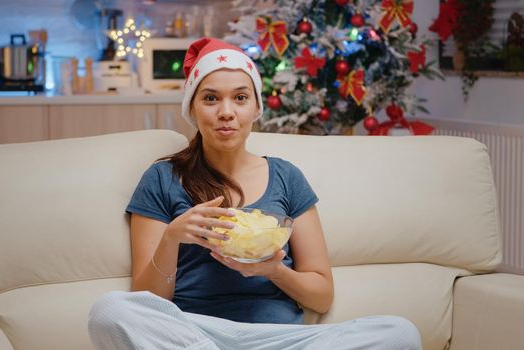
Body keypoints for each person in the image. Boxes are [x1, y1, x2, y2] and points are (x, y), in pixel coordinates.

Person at [87, 37, 422, 350]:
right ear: (193, 109)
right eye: (211, 98)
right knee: (109, 310)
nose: (226, 112)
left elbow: (321, 296)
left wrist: (272, 270)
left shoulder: (286, 177)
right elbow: (146, 302)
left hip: (279, 339)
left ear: (255, 109)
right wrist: (172, 238)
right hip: (194, 334)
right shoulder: (162, 178)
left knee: (400, 332)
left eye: (240, 97)